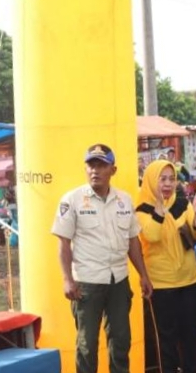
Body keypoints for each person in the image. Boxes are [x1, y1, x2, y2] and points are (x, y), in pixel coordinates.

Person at [52, 144, 154, 373]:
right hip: (86, 283)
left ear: (113, 170)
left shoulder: (124, 200)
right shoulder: (72, 200)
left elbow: (133, 242)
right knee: (87, 345)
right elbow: (63, 244)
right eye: (91, 165)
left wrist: (144, 275)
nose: (95, 171)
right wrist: (67, 279)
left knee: (121, 341)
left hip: (118, 281)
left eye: (101, 165)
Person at [136, 160, 196, 373]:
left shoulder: (183, 203)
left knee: (190, 336)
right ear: (150, 181)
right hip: (162, 284)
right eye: (162, 179)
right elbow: (152, 236)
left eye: (172, 179)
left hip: (190, 279)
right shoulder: (142, 210)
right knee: (166, 339)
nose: (168, 184)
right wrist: (158, 211)